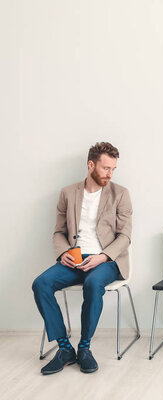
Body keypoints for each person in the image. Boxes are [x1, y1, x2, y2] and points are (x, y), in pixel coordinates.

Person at [32, 142, 132, 375]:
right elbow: (58, 231)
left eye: (113, 169)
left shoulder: (121, 194)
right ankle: (65, 348)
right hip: (74, 259)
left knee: (93, 283)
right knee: (41, 284)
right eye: (106, 168)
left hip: (106, 261)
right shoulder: (68, 193)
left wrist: (103, 256)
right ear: (91, 165)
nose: (110, 173)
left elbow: (125, 235)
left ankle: (84, 348)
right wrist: (63, 252)